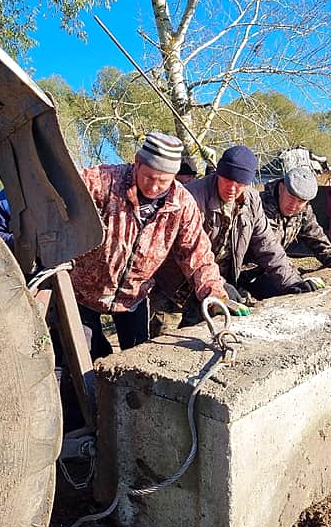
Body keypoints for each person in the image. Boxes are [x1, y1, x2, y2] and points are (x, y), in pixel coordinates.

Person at [70, 132, 237, 360]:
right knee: (81, 357)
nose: (155, 187)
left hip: (133, 297)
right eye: (149, 177)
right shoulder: (103, 181)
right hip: (83, 293)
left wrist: (215, 294)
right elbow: (58, 190)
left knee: (137, 360)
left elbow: (198, 255)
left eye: (164, 181)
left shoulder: (182, 204)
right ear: (137, 162)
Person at [151, 145, 324, 334]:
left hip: (214, 284)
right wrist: (216, 284)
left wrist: (291, 281)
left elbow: (267, 245)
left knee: (201, 338)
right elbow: (185, 250)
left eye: (240, 183)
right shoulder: (191, 197)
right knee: (160, 342)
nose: (232, 188)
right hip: (175, 287)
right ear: (218, 172)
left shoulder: (251, 200)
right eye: (227, 179)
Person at [257, 166, 331, 282]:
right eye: (291, 197)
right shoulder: (260, 207)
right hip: (246, 272)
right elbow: (270, 250)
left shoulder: (303, 210)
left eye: (301, 201)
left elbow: (316, 237)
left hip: (268, 271)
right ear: (281, 188)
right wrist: (295, 279)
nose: (294, 205)